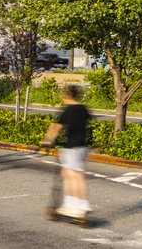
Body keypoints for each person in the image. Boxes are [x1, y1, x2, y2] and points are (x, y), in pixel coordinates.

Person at [40, 85, 91, 222]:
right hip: (82, 147)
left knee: (72, 176)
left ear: (68, 96)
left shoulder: (68, 109)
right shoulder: (83, 108)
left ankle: (76, 207)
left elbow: (56, 127)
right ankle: (77, 205)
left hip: (71, 148)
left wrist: (47, 140)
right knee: (73, 174)